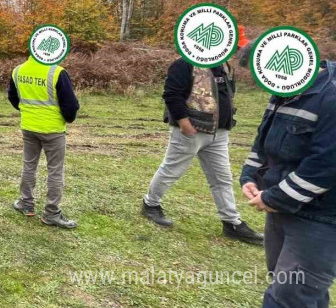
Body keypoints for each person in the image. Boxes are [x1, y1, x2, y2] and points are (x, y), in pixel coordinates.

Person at [141, 48, 264, 244]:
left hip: (219, 133)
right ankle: (150, 204)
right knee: (172, 170)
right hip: (191, 131)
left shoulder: (222, 65)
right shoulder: (183, 64)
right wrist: (184, 123)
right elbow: (171, 95)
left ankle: (232, 223)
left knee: (222, 178)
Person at [240, 60, 336, 308]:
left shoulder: (331, 95)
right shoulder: (285, 86)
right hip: (282, 208)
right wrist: (250, 175)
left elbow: (326, 165)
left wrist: (274, 198)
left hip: (322, 217)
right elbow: (264, 138)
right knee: (298, 290)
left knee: (286, 298)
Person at [7, 55, 81, 228]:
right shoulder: (57, 72)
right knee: (55, 170)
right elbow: (70, 105)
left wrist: (28, 111)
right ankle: (51, 213)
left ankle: (26, 203)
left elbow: (12, 97)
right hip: (53, 129)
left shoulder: (18, 70)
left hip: (28, 126)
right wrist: (68, 119)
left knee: (29, 165)